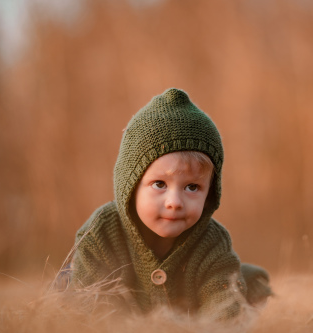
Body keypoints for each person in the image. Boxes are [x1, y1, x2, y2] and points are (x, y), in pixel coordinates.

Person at [66, 88, 271, 320]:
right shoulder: (100, 234)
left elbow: (223, 308)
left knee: (242, 288)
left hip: (187, 317)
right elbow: (93, 313)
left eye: (192, 187)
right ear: (131, 186)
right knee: (66, 295)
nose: (174, 202)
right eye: (159, 184)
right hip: (110, 310)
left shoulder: (213, 243)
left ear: (210, 193)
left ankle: (247, 278)